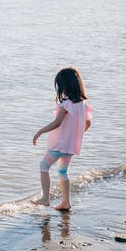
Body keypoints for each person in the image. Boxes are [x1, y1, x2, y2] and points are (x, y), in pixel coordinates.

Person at [32, 67, 93, 210]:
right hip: (71, 145)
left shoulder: (66, 103)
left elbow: (57, 122)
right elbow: (88, 123)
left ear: (65, 85)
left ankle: (45, 198)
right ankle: (66, 202)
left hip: (59, 145)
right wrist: (75, 134)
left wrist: (40, 131)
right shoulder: (84, 104)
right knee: (62, 171)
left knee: (44, 166)